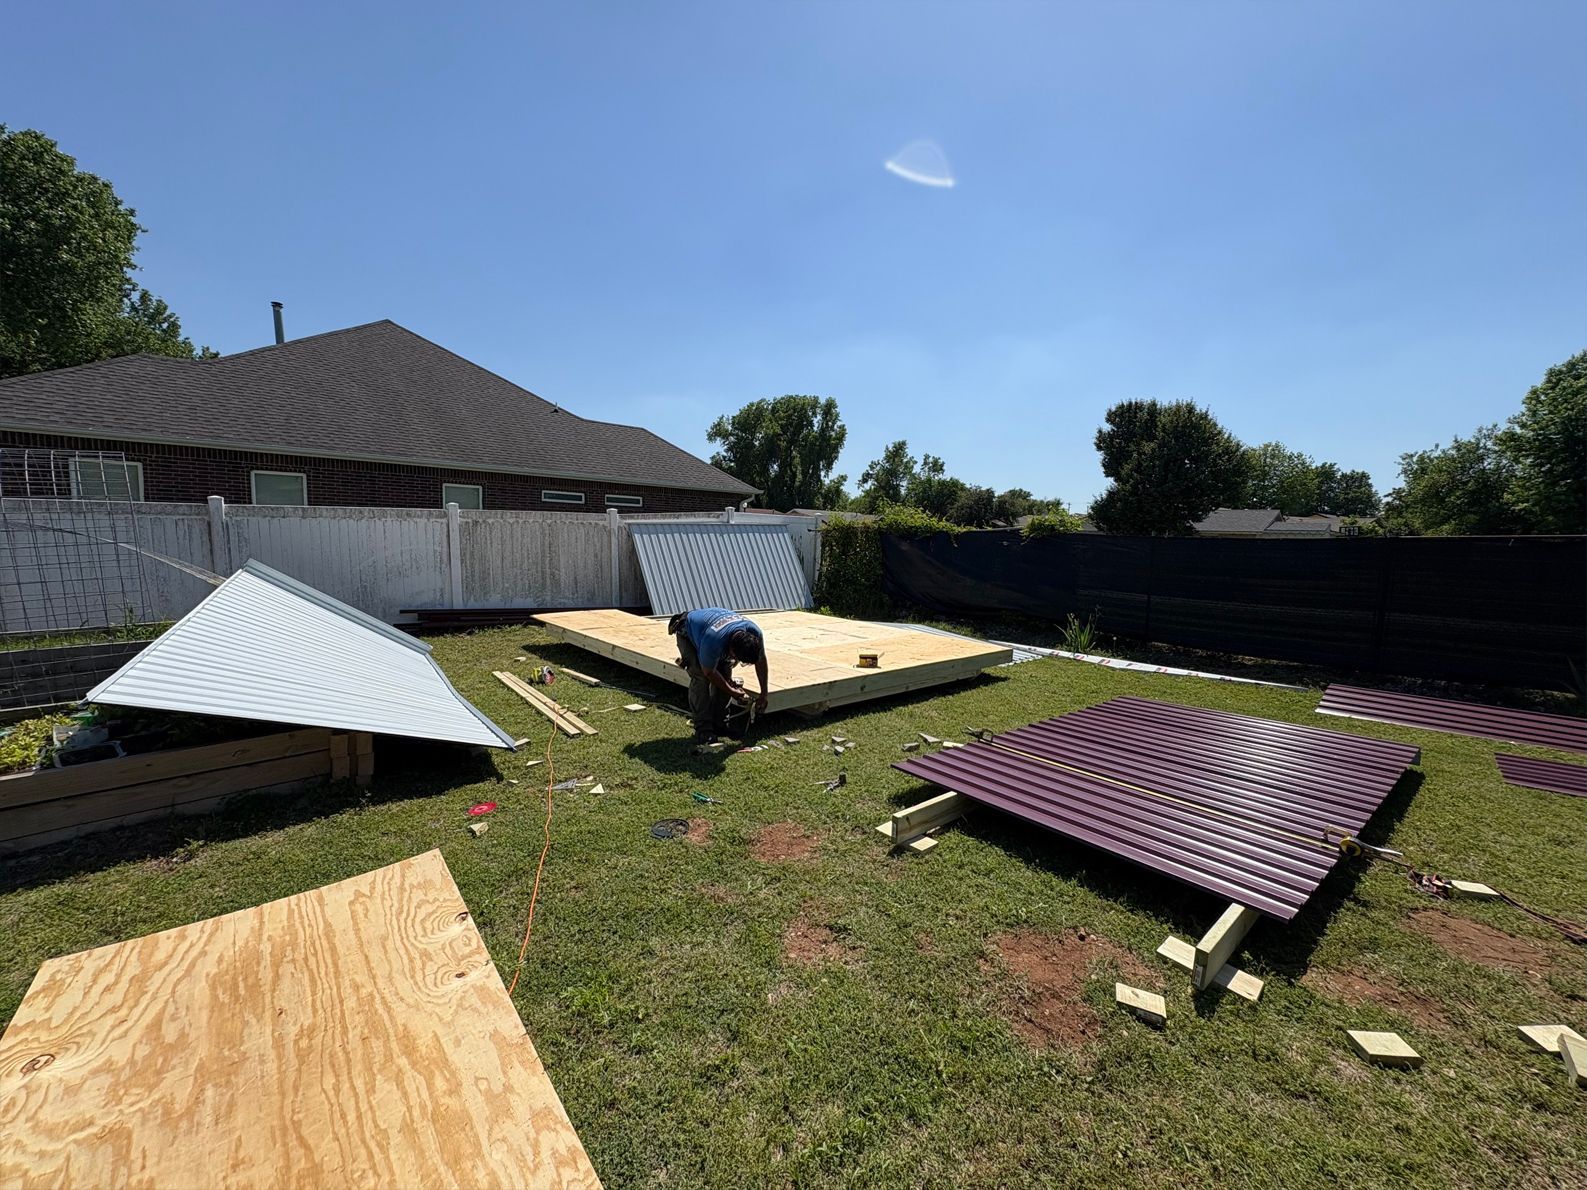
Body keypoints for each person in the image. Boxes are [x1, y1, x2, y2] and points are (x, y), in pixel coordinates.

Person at [668, 607, 769, 740]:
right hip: (687, 630)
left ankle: (720, 725)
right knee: (700, 678)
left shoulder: (755, 633)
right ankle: (703, 729)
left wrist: (764, 693)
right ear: (732, 650)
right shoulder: (713, 641)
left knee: (725, 674)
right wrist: (732, 692)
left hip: (712, 629)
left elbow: (761, 662)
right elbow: (709, 673)